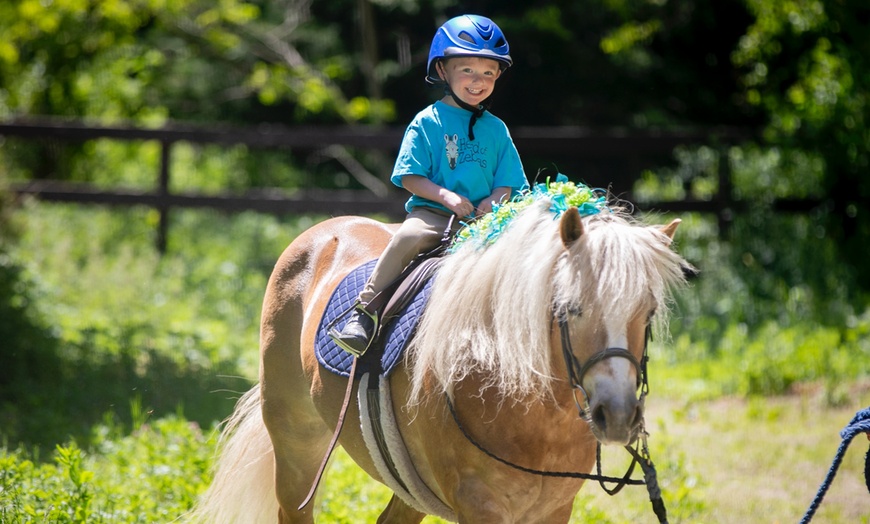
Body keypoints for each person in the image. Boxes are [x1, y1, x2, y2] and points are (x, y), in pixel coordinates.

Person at [332, 14, 528, 355]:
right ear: (442, 71)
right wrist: (447, 196)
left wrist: (495, 200)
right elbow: (409, 176)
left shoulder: (497, 129)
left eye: (488, 72)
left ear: (498, 76)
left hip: (487, 221)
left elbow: (509, 181)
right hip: (435, 213)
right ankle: (365, 311)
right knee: (408, 236)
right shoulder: (427, 122)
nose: (477, 80)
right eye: (467, 70)